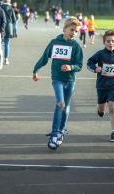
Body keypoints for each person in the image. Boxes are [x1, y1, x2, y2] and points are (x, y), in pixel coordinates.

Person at [32, 17, 83, 150]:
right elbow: (44, 58)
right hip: (57, 79)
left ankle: (61, 131)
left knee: (65, 107)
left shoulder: (76, 46)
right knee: (60, 103)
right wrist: (35, 70)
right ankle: (54, 133)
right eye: (72, 30)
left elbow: (79, 65)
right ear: (64, 29)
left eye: (76, 31)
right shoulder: (54, 43)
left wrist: (71, 67)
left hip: (70, 80)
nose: (74, 33)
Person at [87, 30, 114, 142]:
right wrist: (95, 69)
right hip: (101, 86)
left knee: (112, 107)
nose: (111, 43)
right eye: (108, 41)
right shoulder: (100, 54)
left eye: (113, 41)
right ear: (104, 42)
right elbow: (89, 62)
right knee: (101, 108)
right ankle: (100, 109)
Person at [0, 0, 16, 65]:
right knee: (7, 44)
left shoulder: (0, 8)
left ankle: (0, 58)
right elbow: (14, 20)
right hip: (9, 28)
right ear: (9, 1)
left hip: (0, 27)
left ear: (3, 1)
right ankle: (6, 59)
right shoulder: (11, 9)